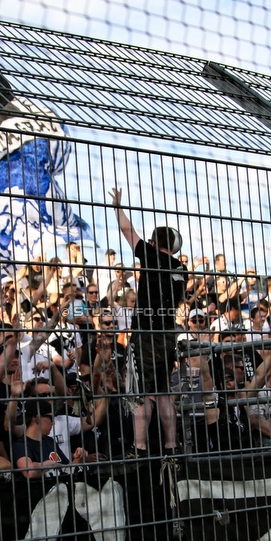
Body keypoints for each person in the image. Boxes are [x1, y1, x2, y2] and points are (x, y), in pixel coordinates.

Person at [110, 186, 187, 457]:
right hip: (168, 332)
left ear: (154, 243)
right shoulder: (181, 268)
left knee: (141, 391)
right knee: (164, 391)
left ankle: (139, 447)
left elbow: (128, 232)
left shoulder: (150, 255)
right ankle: (171, 446)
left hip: (145, 332)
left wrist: (118, 207)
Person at [12, 399, 87, 478]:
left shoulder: (50, 441)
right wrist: (50, 464)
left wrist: (77, 459)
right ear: (38, 419)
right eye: (51, 418)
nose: (53, 423)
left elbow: (67, 470)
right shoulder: (21, 445)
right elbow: (29, 472)